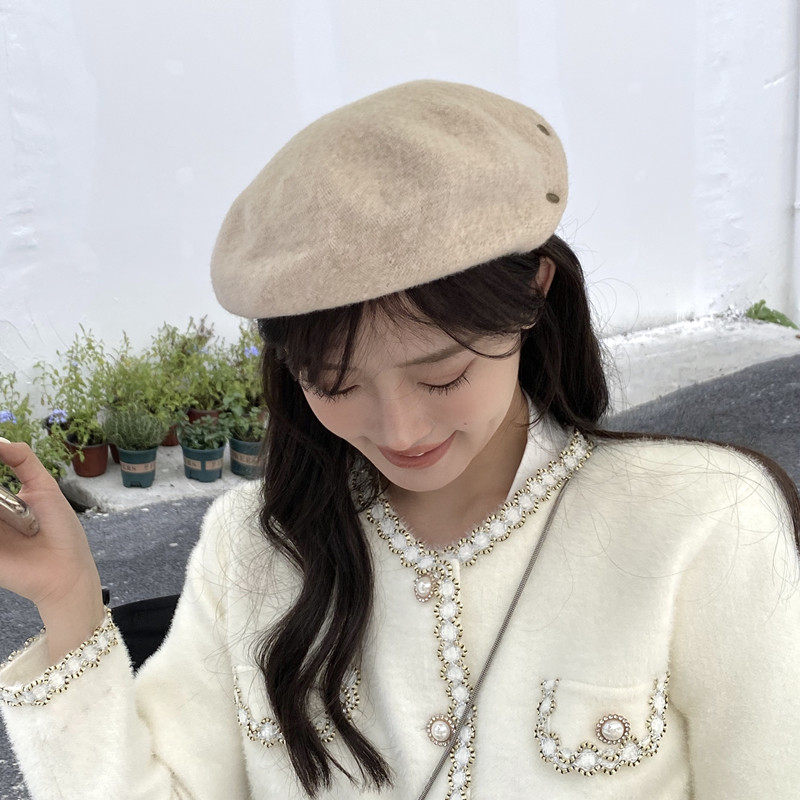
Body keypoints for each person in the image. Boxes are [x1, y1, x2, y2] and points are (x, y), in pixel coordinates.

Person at [1, 78, 799, 800]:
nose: (400, 430)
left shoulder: (701, 521)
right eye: (334, 384)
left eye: (442, 375)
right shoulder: (252, 549)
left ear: (533, 295)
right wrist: (67, 600)